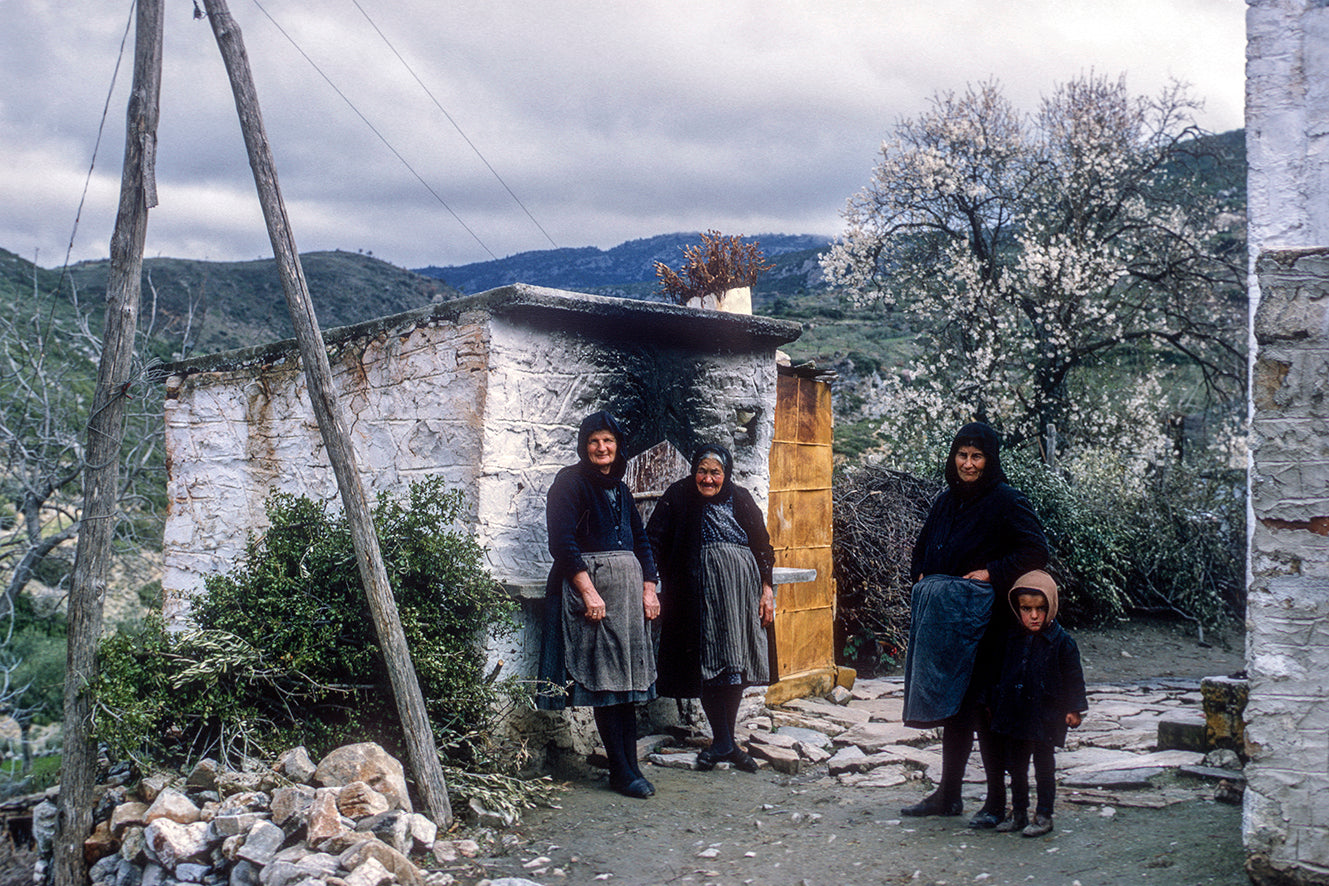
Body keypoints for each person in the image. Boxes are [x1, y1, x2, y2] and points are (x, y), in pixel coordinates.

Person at [900, 421, 1049, 828]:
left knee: (983, 710)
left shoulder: (1006, 501)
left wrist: (990, 572)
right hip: (947, 623)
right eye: (962, 455)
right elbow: (923, 545)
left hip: (989, 625)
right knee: (955, 708)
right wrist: (921, 574)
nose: (968, 464)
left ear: (990, 460)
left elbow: (1036, 550)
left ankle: (996, 800)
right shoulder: (947, 501)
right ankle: (948, 795)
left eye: (976, 456)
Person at [537, 411, 661, 799]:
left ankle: (630, 766)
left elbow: (641, 542)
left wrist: (648, 588)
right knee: (607, 685)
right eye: (594, 442)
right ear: (584, 446)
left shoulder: (621, 490)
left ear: (617, 445)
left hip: (626, 599)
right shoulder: (569, 484)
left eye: (608, 441)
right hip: (593, 596)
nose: (602, 448)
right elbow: (562, 542)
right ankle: (621, 772)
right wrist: (589, 591)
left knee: (626, 685)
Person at [647, 443, 775, 772]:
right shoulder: (678, 496)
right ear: (694, 472)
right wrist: (657, 579)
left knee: (734, 662)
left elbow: (762, 544)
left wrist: (766, 590)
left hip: (738, 592)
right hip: (694, 592)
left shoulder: (741, 498)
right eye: (702, 471)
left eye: (715, 472)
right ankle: (725, 744)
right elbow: (653, 538)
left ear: (725, 474)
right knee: (705, 663)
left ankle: (724, 742)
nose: (707, 479)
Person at [987, 570, 1087, 837]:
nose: (1033, 616)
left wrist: (1074, 708)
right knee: (1016, 766)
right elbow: (999, 672)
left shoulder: (1062, 643)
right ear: (1016, 608)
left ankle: (1044, 815)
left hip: (1046, 715)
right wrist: (993, 701)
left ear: (1051, 606)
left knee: (1044, 765)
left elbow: (1074, 678)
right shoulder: (1011, 638)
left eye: (1040, 609)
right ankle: (1018, 812)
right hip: (1016, 714)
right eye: (1026, 609)